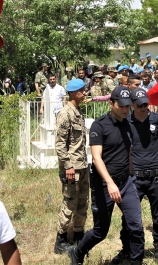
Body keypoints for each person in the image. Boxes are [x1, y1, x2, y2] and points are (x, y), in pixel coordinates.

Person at [68, 87, 144, 265]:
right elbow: (96, 158)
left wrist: (133, 177)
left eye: (128, 106)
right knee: (100, 231)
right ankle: (78, 252)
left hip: (126, 182)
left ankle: (136, 262)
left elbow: (129, 152)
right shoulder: (99, 125)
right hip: (104, 185)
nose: (126, 110)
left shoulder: (129, 124)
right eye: (121, 106)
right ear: (111, 104)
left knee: (136, 227)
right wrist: (110, 183)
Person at [112, 88, 158, 265]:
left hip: (155, 177)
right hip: (134, 178)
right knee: (129, 217)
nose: (144, 107)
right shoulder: (126, 121)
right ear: (132, 105)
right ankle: (126, 249)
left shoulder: (157, 119)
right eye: (140, 105)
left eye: (146, 103)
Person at [54, 79, 90, 255]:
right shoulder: (65, 113)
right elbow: (60, 144)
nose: (85, 93)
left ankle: (78, 235)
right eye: (82, 91)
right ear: (74, 93)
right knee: (70, 202)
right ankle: (61, 240)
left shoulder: (77, 111)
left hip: (82, 165)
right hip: (72, 167)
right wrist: (67, 166)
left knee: (83, 201)